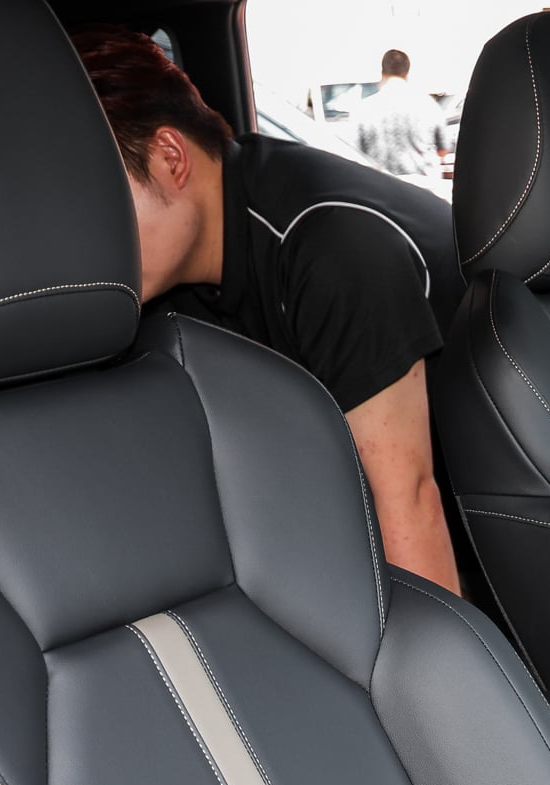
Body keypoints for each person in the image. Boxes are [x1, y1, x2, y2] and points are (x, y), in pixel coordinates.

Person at [73, 30, 463, 593]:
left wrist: (437, 656)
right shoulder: (169, 289)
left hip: (475, 538)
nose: (85, 239)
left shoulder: (330, 246)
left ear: (170, 158)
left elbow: (409, 502)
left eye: (98, 203)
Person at [352, 48, 442, 183]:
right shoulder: (429, 106)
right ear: (407, 72)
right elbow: (443, 148)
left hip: (380, 187)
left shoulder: (363, 109)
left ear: (382, 72)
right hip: (423, 188)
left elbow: (355, 155)